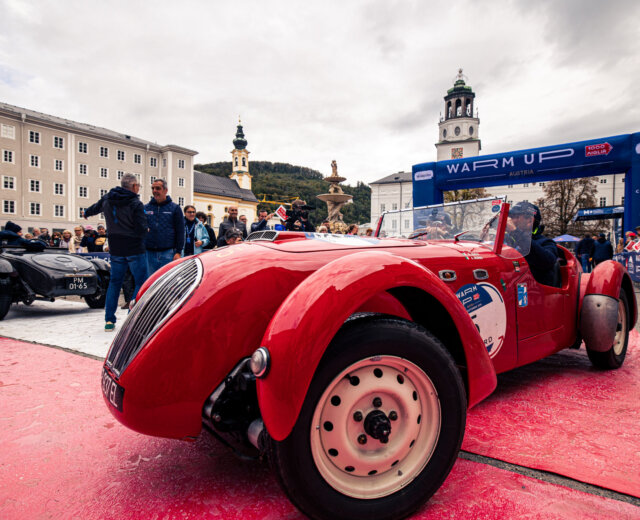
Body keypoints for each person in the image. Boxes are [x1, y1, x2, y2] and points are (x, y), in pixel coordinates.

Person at [84, 173, 148, 332]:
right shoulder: (135, 203)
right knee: (141, 282)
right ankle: (132, 315)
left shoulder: (107, 198)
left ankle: (109, 320)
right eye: (138, 185)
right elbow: (141, 228)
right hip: (134, 247)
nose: (138, 188)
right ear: (134, 186)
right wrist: (146, 230)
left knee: (115, 282)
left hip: (116, 247)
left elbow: (94, 208)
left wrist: (86, 213)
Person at [506, 201, 559, 287]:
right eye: (510, 217)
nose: (511, 220)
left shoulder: (546, 243)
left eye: (516, 217)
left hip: (536, 293)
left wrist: (515, 232)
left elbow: (547, 261)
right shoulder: (511, 241)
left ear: (530, 221)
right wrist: (484, 239)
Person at [144, 179, 185, 274]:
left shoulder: (175, 208)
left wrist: (178, 252)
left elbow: (180, 231)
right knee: (150, 282)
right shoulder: (146, 208)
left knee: (167, 284)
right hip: (149, 254)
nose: (154, 191)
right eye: (153, 188)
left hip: (168, 253)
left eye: (158, 188)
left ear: (165, 190)